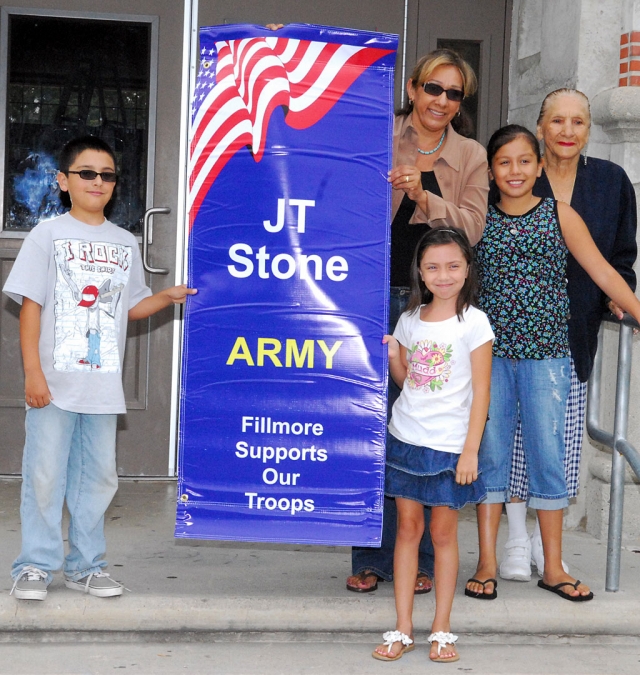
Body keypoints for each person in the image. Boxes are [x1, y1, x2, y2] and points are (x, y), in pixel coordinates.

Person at [4, 136, 196, 601]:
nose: (97, 182)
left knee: (98, 479)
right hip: (53, 384)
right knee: (45, 474)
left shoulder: (123, 241)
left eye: (107, 175)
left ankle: (87, 566)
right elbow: (31, 308)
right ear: (63, 180)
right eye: (86, 173)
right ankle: (34, 565)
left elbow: (128, 307)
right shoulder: (46, 235)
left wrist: (164, 298)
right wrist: (33, 373)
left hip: (101, 386)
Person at [466, 125, 640, 603]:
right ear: (491, 171)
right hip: (490, 359)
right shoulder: (479, 219)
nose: (515, 171)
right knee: (492, 454)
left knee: (548, 456)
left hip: (548, 356)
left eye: (524, 161)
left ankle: (555, 566)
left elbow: (603, 271)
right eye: (504, 162)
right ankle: (486, 561)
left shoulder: (560, 215)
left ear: (539, 167)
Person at [347, 47, 489, 594]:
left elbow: (473, 229)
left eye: (454, 94)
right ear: (412, 88)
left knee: (433, 417)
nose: (443, 101)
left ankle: (425, 559)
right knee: (372, 419)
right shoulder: (376, 132)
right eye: (434, 88)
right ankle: (369, 555)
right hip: (369, 294)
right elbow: (343, 202)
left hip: (435, 304)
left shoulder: (472, 153)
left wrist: (423, 196)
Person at [372, 227, 493, 663]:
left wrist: (470, 451)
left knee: (442, 534)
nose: (443, 275)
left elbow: (482, 392)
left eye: (453, 266)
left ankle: (441, 628)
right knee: (407, 530)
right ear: (420, 273)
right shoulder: (408, 319)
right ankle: (403, 628)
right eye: (433, 267)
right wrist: (392, 358)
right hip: (407, 438)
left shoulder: (475, 323)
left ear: (466, 270)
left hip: (449, 448)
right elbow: (409, 384)